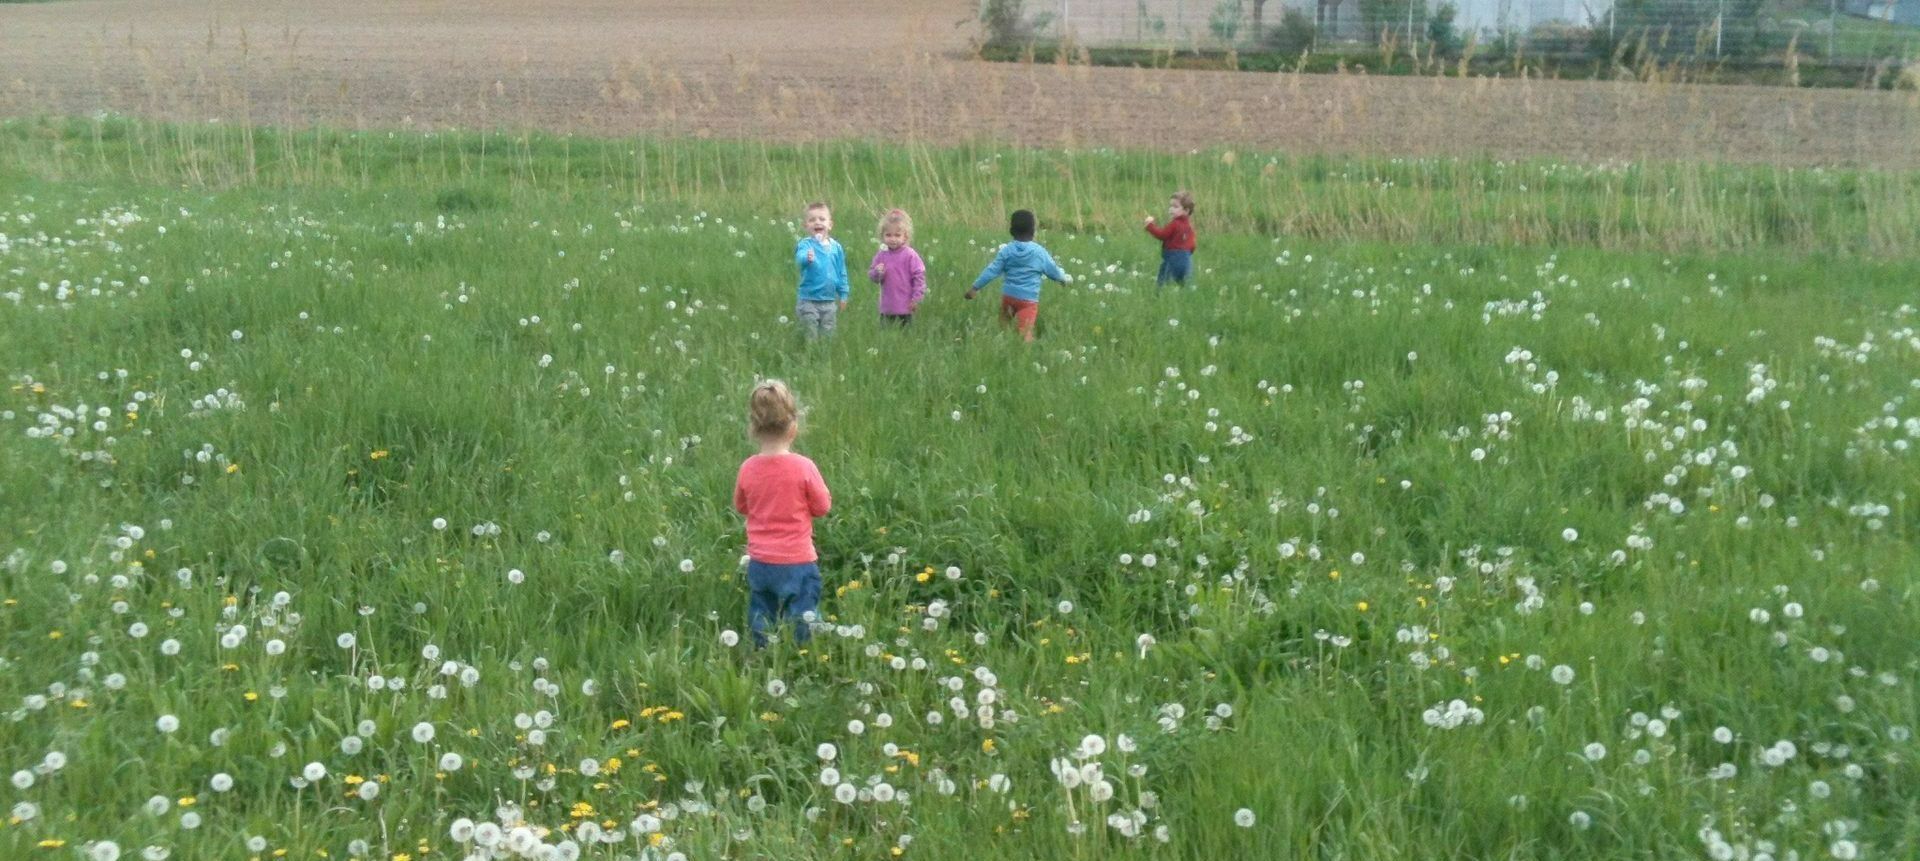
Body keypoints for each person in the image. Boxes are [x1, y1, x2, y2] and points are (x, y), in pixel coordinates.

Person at [732, 380, 831, 648]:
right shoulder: (804, 467)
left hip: (761, 560)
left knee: (761, 610)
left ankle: (763, 652)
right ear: (793, 426)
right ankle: (801, 656)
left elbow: (742, 506)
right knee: (802, 613)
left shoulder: (748, 468)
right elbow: (822, 507)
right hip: (798, 560)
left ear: (753, 428)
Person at [964, 209, 1071, 342]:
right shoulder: (1038, 252)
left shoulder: (1007, 250)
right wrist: (1063, 279)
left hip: (1008, 296)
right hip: (1028, 300)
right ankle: (1027, 354)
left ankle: (1000, 345)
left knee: (1003, 328)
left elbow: (991, 271)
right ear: (1033, 231)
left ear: (1011, 230)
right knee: (1025, 332)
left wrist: (975, 287)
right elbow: (1053, 271)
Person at [794, 202, 849, 338]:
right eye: (812, 220)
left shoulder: (836, 247)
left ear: (830, 224)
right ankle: (809, 354)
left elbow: (841, 271)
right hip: (809, 299)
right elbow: (799, 258)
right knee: (810, 332)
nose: (817, 222)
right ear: (806, 225)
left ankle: (824, 356)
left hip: (829, 300)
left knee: (828, 333)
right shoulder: (806, 244)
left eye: (822, 219)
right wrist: (807, 258)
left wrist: (843, 293)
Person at [868, 209, 927, 326]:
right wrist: (877, 272)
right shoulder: (881, 255)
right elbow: (873, 277)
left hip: (906, 307)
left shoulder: (910, 255)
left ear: (905, 237)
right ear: (882, 236)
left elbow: (919, 276)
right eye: (888, 235)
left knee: (905, 336)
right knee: (886, 335)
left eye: (897, 235)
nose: (893, 239)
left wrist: (916, 297)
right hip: (887, 306)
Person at [1144, 190, 1196, 287]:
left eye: (1175, 207)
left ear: (1186, 211)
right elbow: (1193, 245)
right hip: (1186, 258)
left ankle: (1158, 298)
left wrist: (1150, 226)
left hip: (1172, 257)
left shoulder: (1175, 224)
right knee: (1184, 283)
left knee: (1163, 282)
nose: (1171, 209)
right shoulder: (1189, 226)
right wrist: (1186, 254)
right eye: (1170, 206)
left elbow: (1162, 235)